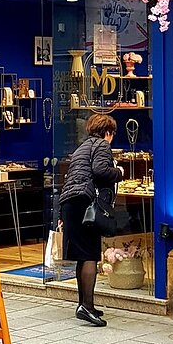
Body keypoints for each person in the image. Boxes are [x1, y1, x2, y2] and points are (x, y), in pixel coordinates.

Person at [59, 114, 123, 327]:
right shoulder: (102, 146)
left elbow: (72, 177)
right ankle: (86, 307)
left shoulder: (82, 147)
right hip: (85, 203)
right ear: (108, 132)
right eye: (112, 133)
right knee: (89, 254)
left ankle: (85, 303)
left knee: (81, 255)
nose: (111, 137)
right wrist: (119, 172)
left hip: (70, 202)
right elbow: (100, 171)